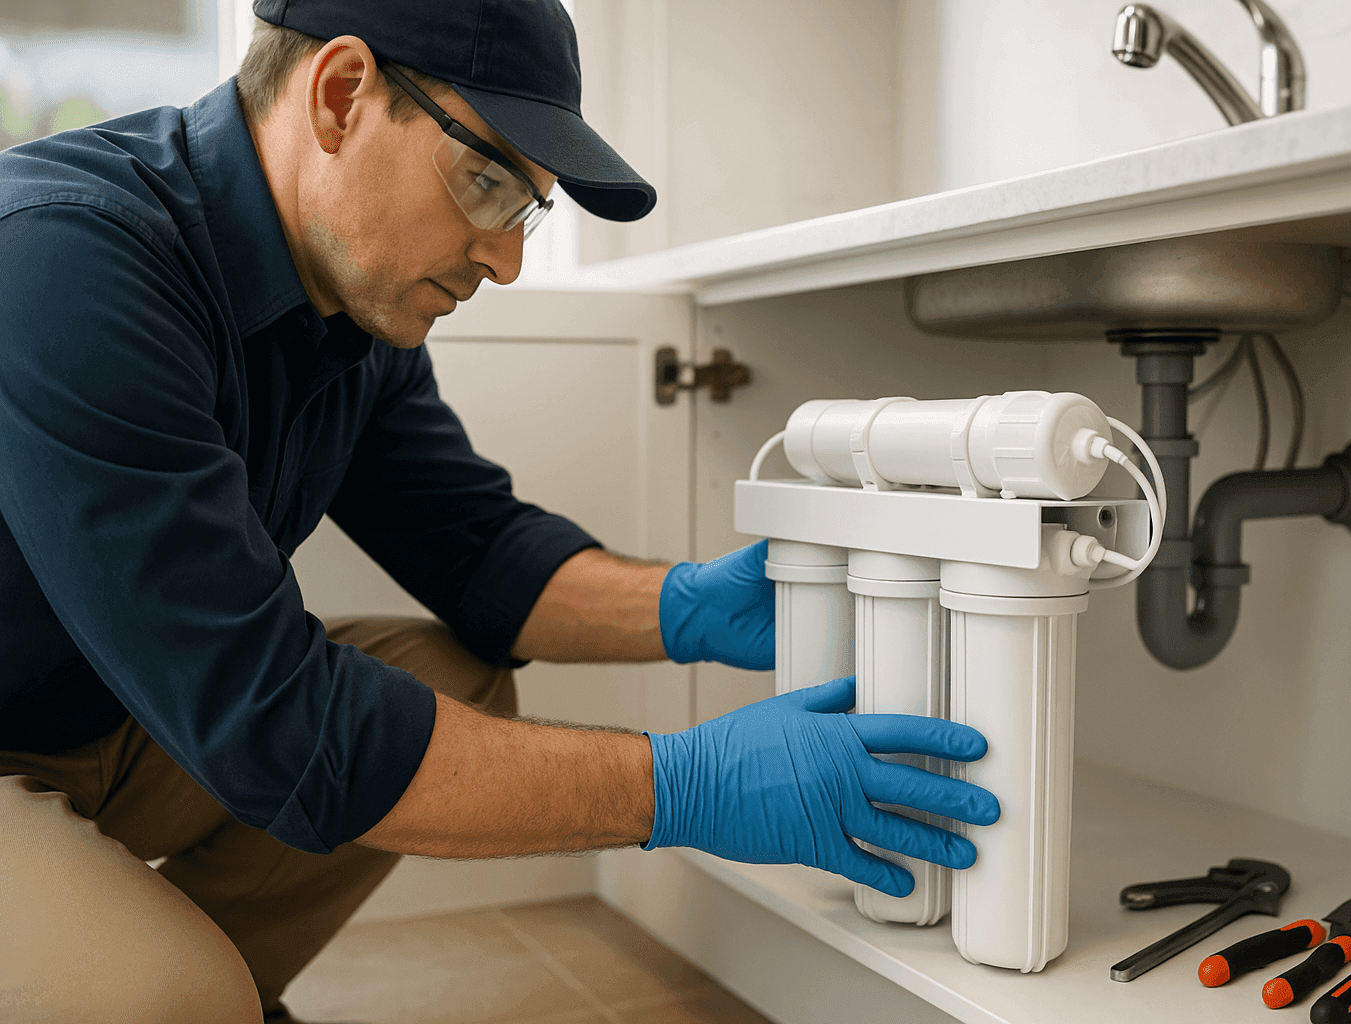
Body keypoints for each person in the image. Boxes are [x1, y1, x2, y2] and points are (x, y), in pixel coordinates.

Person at [0, 2, 1000, 1022]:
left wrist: (694, 603)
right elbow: (277, 724)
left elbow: (480, 555)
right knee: (172, 994)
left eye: (527, 211)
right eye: (487, 182)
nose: (507, 260)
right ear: (342, 94)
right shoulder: (67, 264)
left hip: (113, 715)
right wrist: (682, 785)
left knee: (454, 680)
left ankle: (213, 990)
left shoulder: (350, 312)